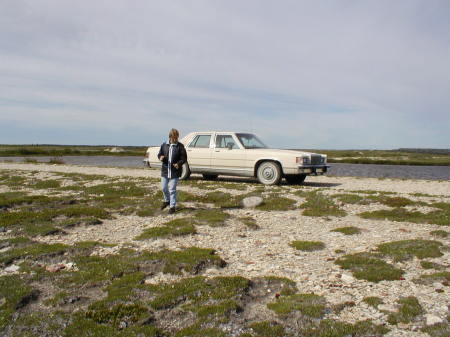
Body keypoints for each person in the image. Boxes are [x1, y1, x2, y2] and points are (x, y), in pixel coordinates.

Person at [157, 128, 187, 214]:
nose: (175, 139)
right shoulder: (164, 145)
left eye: (176, 137)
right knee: (163, 188)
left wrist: (179, 164)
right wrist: (160, 157)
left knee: (172, 189)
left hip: (175, 172)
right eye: (173, 138)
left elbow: (184, 158)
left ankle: (172, 206)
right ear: (170, 137)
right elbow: (159, 154)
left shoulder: (180, 146)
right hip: (165, 171)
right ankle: (167, 201)